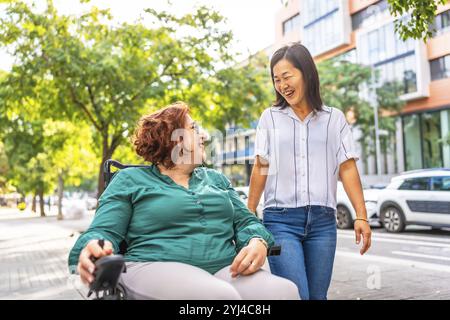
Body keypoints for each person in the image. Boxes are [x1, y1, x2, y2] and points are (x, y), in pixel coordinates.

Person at [68, 102, 299, 300]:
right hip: (152, 266)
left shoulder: (216, 180)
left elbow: (247, 222)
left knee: (284, 291)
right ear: (171, 139)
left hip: (223, 269)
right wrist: (92, 248)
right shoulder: (130, 180)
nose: (205, 136)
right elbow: (102, 231)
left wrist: (258, 240)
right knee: (218, 297)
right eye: (194, 128)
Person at [247, 43, 372, 300]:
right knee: (296, 295)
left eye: (287, 76)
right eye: (276, 79)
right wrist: (248, 213)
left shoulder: (333, 119)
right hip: (280, 221)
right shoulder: (269, 118)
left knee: (317, 297)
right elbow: (261, 166)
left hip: (323, 222)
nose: (282, 85)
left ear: (306, 73)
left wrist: (361, 215)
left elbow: (347, 167)